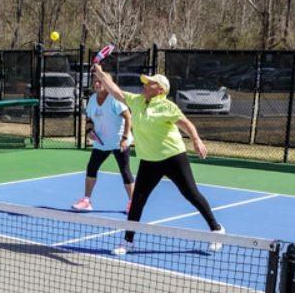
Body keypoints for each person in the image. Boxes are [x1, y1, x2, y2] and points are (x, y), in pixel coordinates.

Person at [93, 69, 224, 254]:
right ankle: (128, 241)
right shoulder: (137, 101)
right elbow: (115, 90)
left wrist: (196, 139)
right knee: (137, 200)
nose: (145, 84)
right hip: (149, 161)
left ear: (161, 90)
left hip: (173, 157)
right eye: (146, 82)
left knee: (191, 194)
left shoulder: (168, 107)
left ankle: (216, 230)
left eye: (150, 83)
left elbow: (186, 124)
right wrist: (99, 73)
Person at [72, 75, 135, 213]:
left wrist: (125, 138)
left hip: (119, 142)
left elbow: (128, 117)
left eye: (100, 81)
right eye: (95, 81)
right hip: (102, 143)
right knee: (91, 167)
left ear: (108, 83)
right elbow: (89, 118)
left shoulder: (114, 99)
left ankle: (133, 203)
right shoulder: (92, 100)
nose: (97, 83)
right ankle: (87, 201)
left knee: (125, 171)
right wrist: (89, 130)